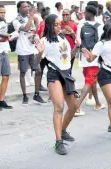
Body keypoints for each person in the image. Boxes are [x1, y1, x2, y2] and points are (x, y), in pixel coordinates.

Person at [35, 14, 79, 155]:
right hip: (54, 75)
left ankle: (63, 130)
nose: (59, 26)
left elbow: (67, 57)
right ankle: (58, 142)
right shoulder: (44, 41)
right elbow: (36, 62)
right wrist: (40, 52)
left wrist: (77, 48)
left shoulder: (63, 39)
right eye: (56, 24)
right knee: (59, 106)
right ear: (49, 26)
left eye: (59, 24)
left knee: (73, 107)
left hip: (66, 75)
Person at [82, 23, 111, 142]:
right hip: (106, 74)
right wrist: (88, 56)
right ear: (109, 33)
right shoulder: (101, 44)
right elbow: (91, 58)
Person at [13, 1, 45, 105]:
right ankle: (25, 96)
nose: (27, 8)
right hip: (22, 50)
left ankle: (36, 94)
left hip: (32, 49)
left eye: (28, 6)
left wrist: (35, 37)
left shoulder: (30, 17)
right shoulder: (16, 20)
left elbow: (32, 30)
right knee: (23, 72)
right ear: (19, 9)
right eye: (24, 7)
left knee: (38, 71)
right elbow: (26, 28)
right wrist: (32, 16)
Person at [76, 5, 105, 116]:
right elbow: (102, 41)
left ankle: (97, 103)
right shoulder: (101, 25)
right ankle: (77, 107)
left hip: (84, 57)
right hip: (94, 57)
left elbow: (78, 41)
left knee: (91, 80)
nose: (84, 14)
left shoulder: (81, 24)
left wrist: (83, 51)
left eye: (86, 12)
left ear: (90, 13)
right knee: (89, 81)